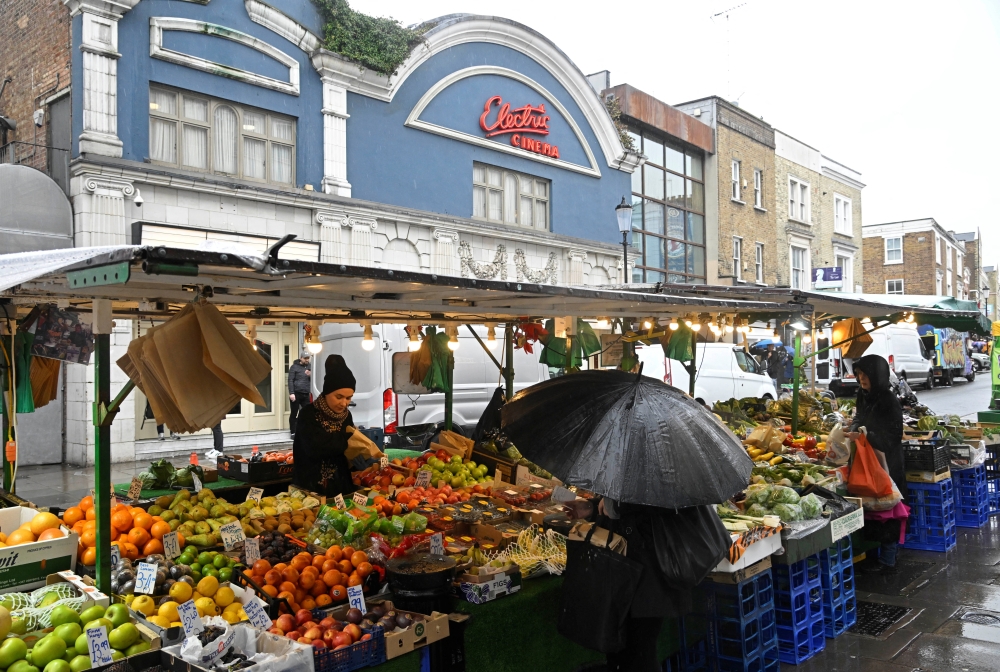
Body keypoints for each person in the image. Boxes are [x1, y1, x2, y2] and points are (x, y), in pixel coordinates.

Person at [595, 498, 696, 672]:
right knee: (621, 651)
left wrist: (616, 505)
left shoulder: (665, 474)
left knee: (641, 651)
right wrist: (592, 507)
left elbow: (667, 503)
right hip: (625, 569)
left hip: (651, 571)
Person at [847, 354, 905, 573]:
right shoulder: (863, 396)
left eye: (866, 374)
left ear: (877, 375)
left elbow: (893, 436)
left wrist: (865, 435)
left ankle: (888, 558)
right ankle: (871, 555)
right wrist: (854, 430)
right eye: (859, 374)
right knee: (871, 509)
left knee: (888, 510)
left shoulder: (889, 400)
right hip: (866, 460)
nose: (862, 379)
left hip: (887, 463)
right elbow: (858, 418)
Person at [291, 354, 356, 497]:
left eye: (348, 398)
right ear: (326, 393)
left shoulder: (346, 416)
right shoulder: (308, 414)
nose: (344, 403)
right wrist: (346, 440)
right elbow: (315, 449)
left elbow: (345, 449)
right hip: (311, 489)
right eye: (339, 397)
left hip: (342, 488)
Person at [287, 352, 312, 437]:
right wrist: (291, 393)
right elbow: (290, 380)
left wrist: (310, 375)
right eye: (305, 358)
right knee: (294, 413)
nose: (307, 360)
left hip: (306, 394)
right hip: (296, 393)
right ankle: (293, 432)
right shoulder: (294, 367)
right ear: (301, 358)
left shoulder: (310, 367)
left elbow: (315, 379)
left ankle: (305, 430)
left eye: (308, 358)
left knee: (308, 413)